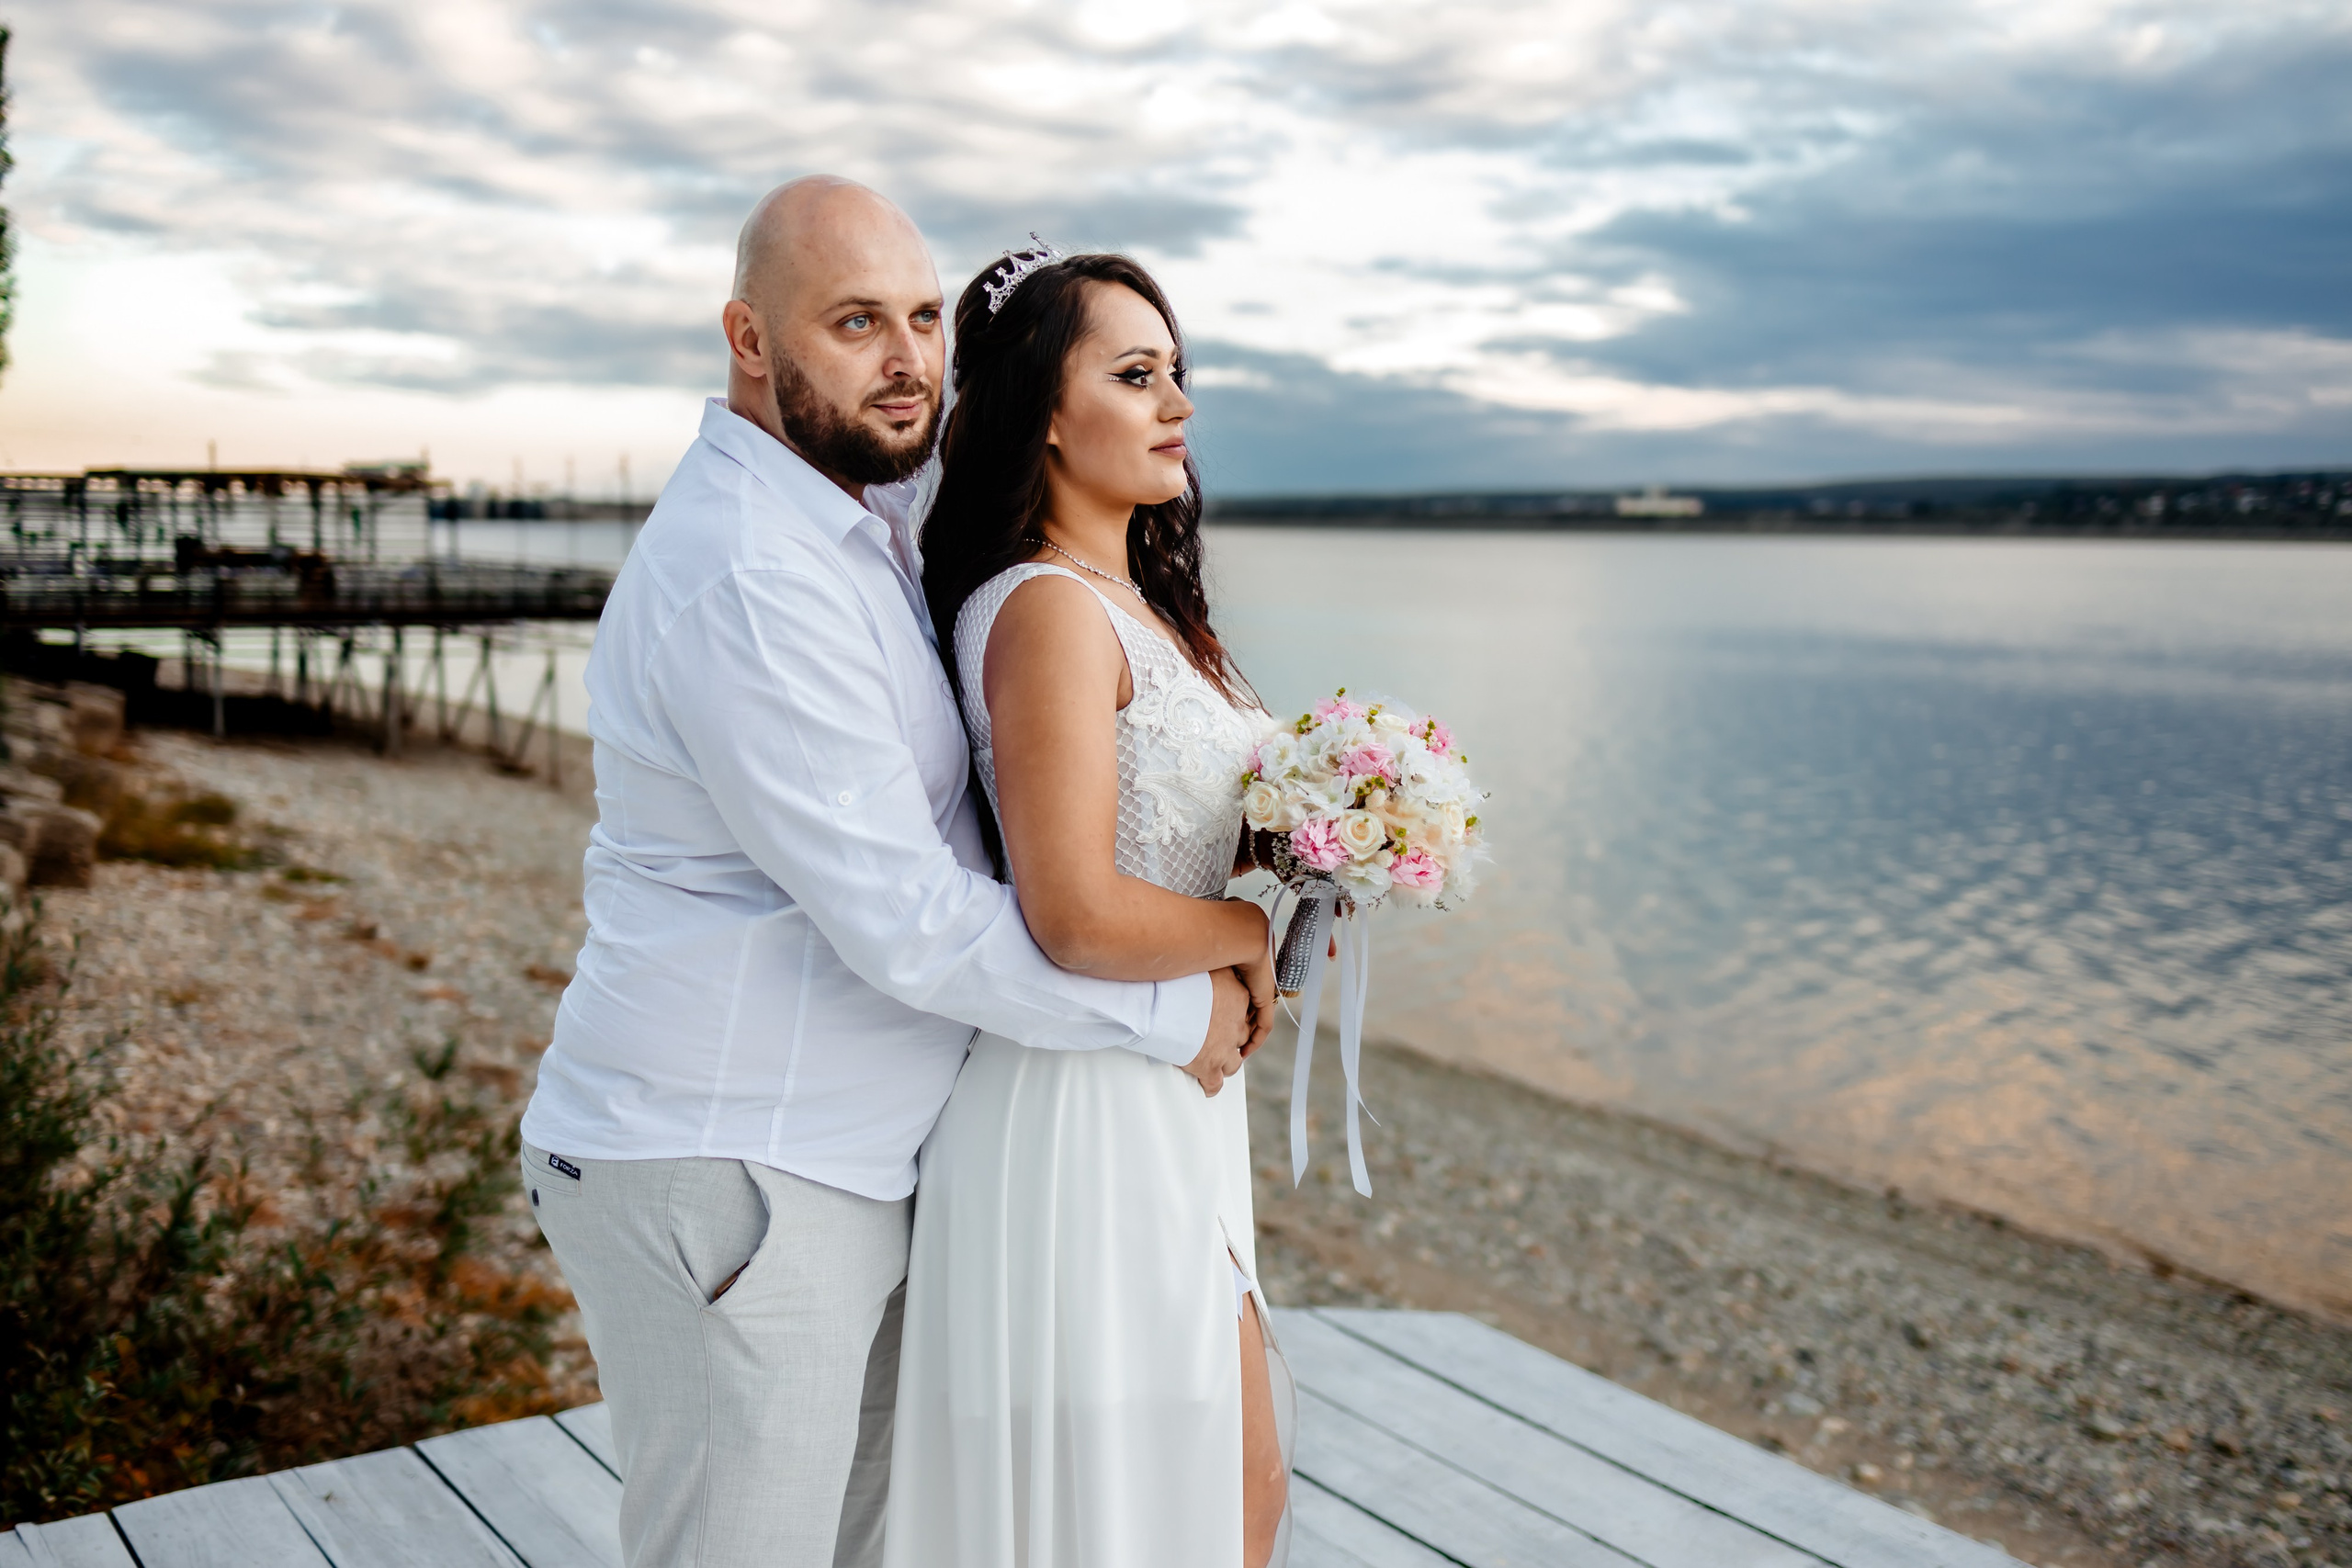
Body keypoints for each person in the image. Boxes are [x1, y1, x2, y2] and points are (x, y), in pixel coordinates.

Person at [515, 179, 1267, 1568]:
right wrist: (1178, 1009)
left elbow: (1030, 470)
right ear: (750, 339)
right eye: (856, 323)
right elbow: (908, 921)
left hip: (852, 1158)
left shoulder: (855, 509)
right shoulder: (752, 573)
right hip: (732, 1159)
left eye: (925, 319)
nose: (909, 360)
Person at [885, 243, 1295, 1568]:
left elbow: (1159, 831)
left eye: (1176, 371)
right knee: (1180, 1505)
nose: (1178, 402)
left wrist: (1330, 839)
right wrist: (1246, 936)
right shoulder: (1051, 611)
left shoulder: (1136, 604)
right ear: (1046, 414)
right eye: (1134, 374)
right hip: (1080, 1103)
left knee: (1219, 1499)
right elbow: (1070, 909)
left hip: (1169, 1086)